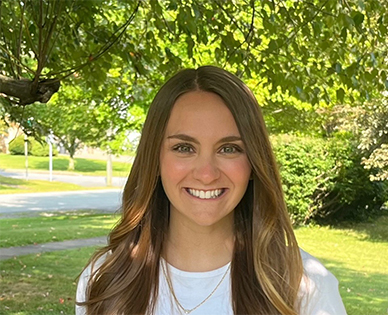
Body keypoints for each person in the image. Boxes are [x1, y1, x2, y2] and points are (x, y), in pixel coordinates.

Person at [76, 66, 347, 315]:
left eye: (229, 149)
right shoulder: (105, 281)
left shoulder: (304, 287)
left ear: (253, 162)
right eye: (184, 148)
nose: (206, 174)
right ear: (155, 160)